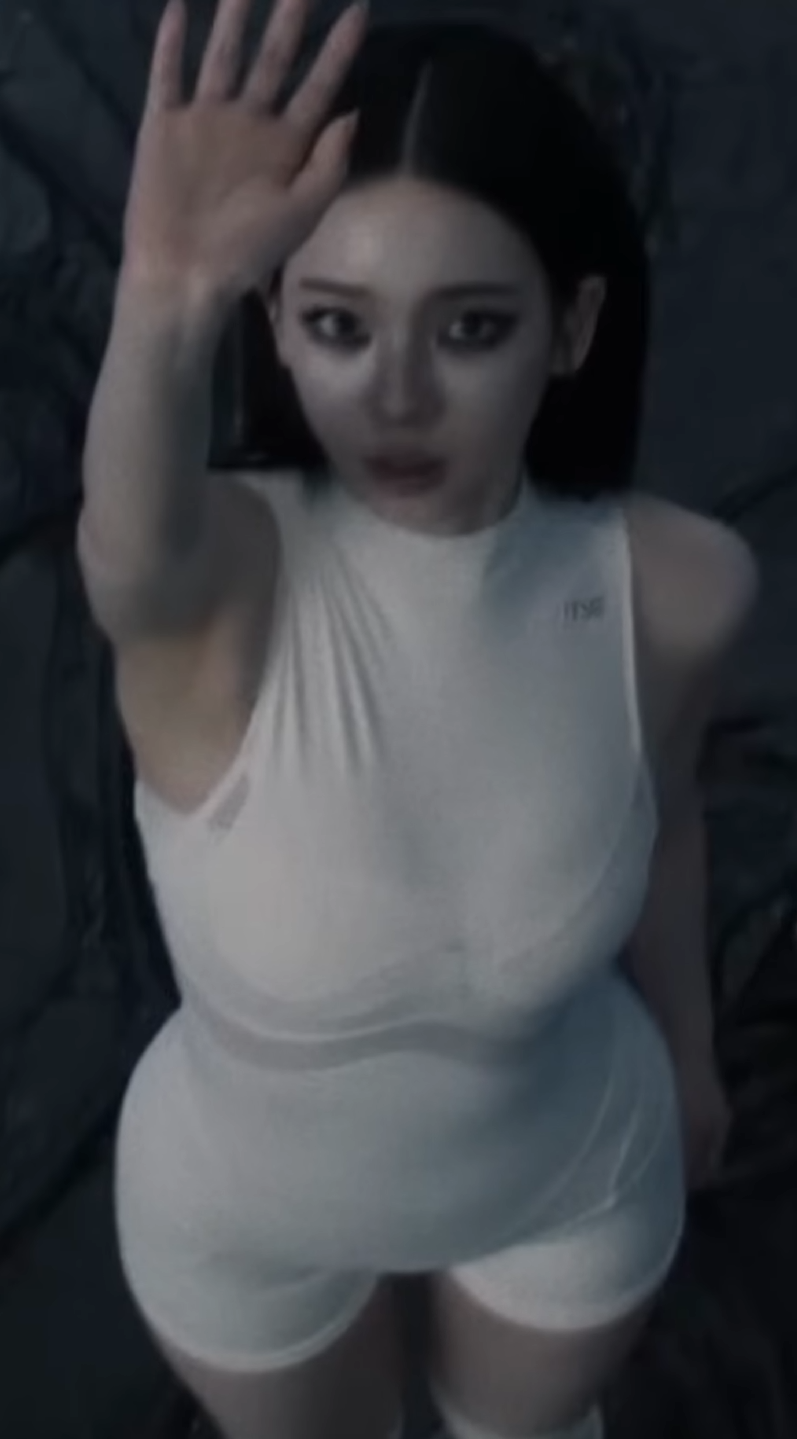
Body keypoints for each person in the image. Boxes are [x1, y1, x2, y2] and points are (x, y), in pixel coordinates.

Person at [78, 1, 758, 1437]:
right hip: (243, 1217)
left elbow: (670, 819)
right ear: (275, 320)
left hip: (572, 1176)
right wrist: (163, 295)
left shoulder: (678, 587)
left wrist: (695, 1051)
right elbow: (127, 557)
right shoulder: (218, 589)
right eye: (338, 323)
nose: (394, 394)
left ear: (570, 329)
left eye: (471, 329)